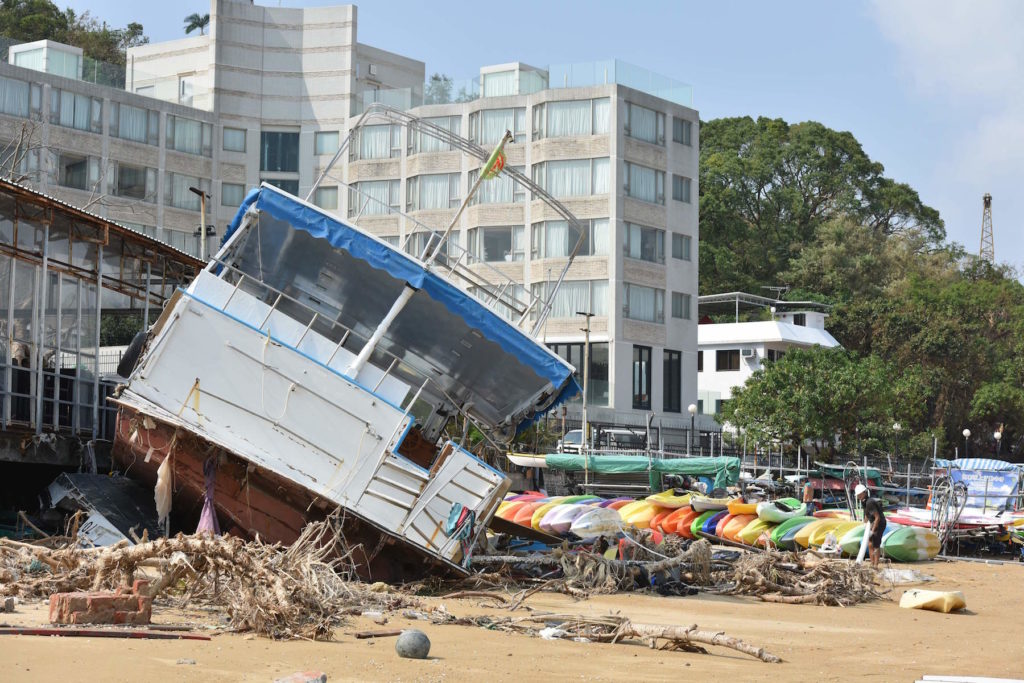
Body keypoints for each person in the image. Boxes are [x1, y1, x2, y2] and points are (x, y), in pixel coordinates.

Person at [856, 483, 886, 568]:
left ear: (864, 493)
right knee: (869, 544)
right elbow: (867, 514)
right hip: (872, 522)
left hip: (879, 523)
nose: (858, 496)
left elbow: (877, 518)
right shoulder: (863, 502)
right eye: (857, 495)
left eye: (859, 494)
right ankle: (871, 563)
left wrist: (872, 531)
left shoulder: (870, 503)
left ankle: (875, 565)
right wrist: (865, 524)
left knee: (876, 544)